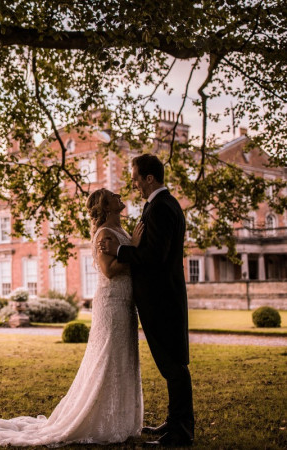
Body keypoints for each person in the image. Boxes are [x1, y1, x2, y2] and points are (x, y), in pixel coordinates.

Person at [0, 188, 144, 447]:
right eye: (112, 196)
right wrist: (135, 248)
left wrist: (134, 247)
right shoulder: (105, 233)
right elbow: (109, 271)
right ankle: (102, 420)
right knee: (109, 358)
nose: (119, 196)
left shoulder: (122, 232)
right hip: (112, 303)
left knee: (124, 357)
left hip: (126, 303)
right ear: (106, 207)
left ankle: (119, 419)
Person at [98, 154, 194, 447]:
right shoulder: (162, 204)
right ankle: (175, 421)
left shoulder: (161, 207)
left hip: (161, 300)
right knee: (172, 365)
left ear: (149, 178)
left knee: (173, 366)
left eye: (136, 179)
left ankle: (181, 431)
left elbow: (155, 256)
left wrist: (121, 250)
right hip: (163, 298)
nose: (134, 185)